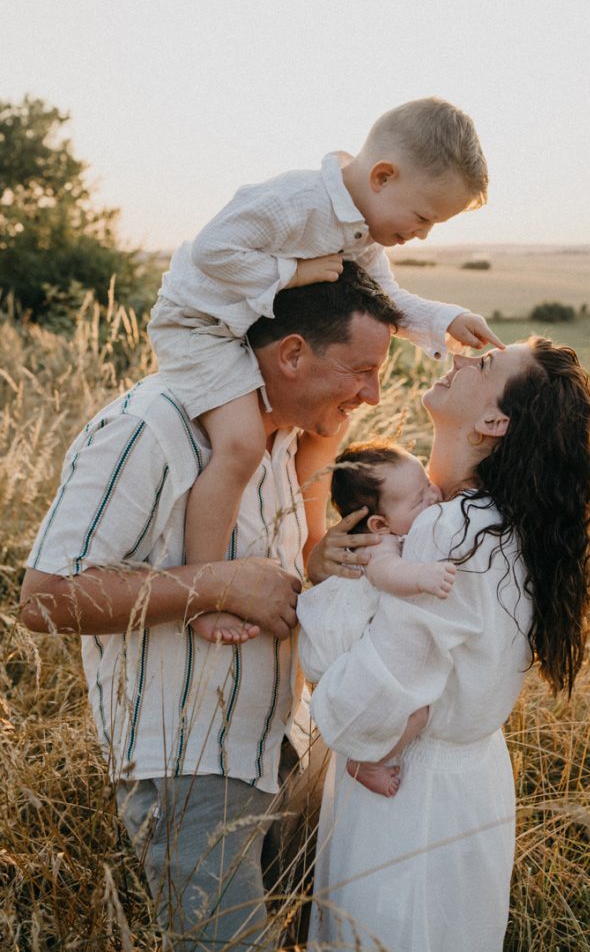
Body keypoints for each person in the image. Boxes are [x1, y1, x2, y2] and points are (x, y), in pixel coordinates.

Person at [19, 262, 403, 952]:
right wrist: (216, 585)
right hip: (188, 771)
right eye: (361, 370)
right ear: (291, 353)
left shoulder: (284, 437)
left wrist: (314, 568)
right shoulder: (151, 427)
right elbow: (45, 600)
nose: (373, 394)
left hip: (277, 750)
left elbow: (266, 572)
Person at [298, 338, 590, 952]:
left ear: (494, 423)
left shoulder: (447, 530)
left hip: (407, 794)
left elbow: (367, 718)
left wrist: (317, 669)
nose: (462, 357)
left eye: (484, 364)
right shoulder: (499, 520)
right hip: (470, 785)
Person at [147, 97, 504, 573]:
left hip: (249, 332)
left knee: (326, 433)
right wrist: (292, 271)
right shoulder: (298, 201)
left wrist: (446, 319)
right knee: (241, 445)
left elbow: (386, 299)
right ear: (382, 177)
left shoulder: (364, 235)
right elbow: (213, 250)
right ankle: (207, 579)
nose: (422, 235)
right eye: (423, 218)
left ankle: (309, 553)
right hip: (200, 327)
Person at [300, 441, 456, 797]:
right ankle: (367, 763)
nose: (434, 495)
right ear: (379, 523)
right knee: (419, 714)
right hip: (345, 659)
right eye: (420, 499)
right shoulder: (379, 544)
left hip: (352, 662)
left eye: (428, 484)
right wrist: (423, 577)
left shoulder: (399, 524)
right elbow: (386, 573)